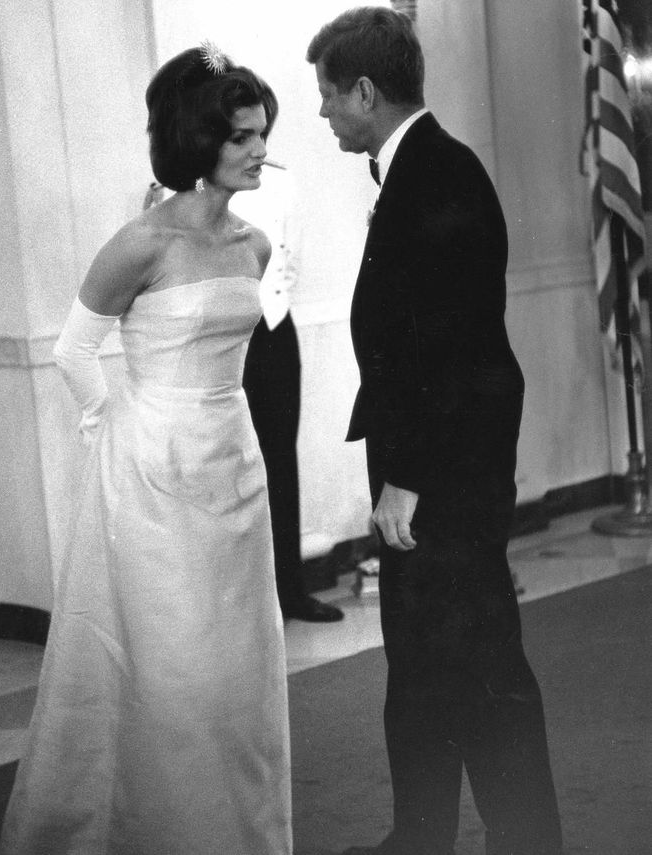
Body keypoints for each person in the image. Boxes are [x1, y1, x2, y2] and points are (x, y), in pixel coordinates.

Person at [0, 44, 291, 855]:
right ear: (201, 142)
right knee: (170, 663)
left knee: (237, 662)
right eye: (242, 136)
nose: (260, 149)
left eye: (262, 132)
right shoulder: (141, 243)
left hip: (235, 461)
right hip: (151, 469)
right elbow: (72, 350)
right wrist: (116, 430)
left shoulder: (255, 246)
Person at [306, 9, 562, 855]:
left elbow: (456, 349)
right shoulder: (419, 168)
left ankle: (527, 842)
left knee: (480, 672)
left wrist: (408, 475)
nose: (324, 114)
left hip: (443, 481)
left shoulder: (438, 174)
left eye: (330, 96)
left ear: (367, 92)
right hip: (435, 470)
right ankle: (419, 837)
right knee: (422, 672)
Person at [235, 167, 344, 622]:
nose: (257, 147)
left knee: (281, 459)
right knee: (229, 464)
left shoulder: (279, 180)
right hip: (228, 333)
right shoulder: (193, 183)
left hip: (276, 330)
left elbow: (289, 255)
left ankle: (290, 591)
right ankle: (241, 605)